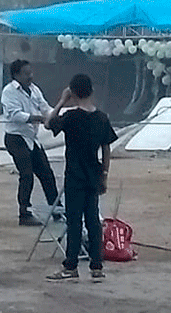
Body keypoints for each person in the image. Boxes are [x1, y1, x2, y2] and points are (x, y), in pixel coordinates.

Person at [45, 74, 118, 282]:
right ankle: (96, 266)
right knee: (93, 220)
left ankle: (71, 266)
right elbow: (106, 148)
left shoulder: (71, 117)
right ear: (91, 90)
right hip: (94, 173)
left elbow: (49, 124)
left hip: (74, 175)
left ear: (73, 92)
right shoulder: (102, 118)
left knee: (75, 222)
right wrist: (104, 174)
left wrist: (61, 101)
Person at [1, 59, 61, 226]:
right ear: (16, 75)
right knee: (26, 174)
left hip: (32, 139)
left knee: (46, 173)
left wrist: (53, 115)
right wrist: (39, 118)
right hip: (16, 138)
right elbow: (14, 115)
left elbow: (45, 107)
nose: (30, 76)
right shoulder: (9, 91)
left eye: (31, 72)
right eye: (26, 74)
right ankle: (24, 213)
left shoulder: (34, 90)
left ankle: (57, 209)